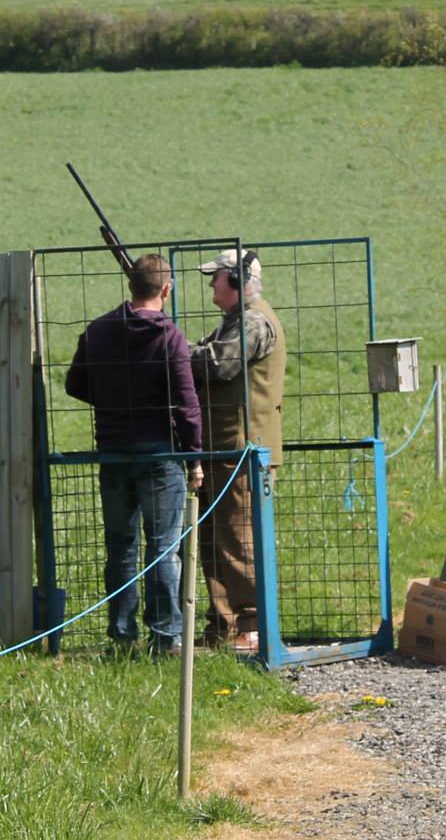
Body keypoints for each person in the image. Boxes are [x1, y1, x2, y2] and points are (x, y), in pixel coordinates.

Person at [63, 253, 203, 655]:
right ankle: (166, 637)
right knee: (163, 547)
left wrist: (112, 402)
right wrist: (195, 457)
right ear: (166, 289)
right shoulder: (170, 336)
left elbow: (75, 384)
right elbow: (186, 403)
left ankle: (122, 636)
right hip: (160, 453)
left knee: (121, 546)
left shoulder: (98, 330)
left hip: (112, 450)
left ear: (130, 285)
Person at [191, 248, 285, 652]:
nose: (212, 283)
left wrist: (175, 351)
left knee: (239, 540)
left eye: (217, 276)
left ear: (236, 280)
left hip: (242, 451)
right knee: (215, 543)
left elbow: (219, 365)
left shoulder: (252, 321)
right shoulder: (236, 321)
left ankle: (252, 626)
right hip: (225, 448)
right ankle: (224, 627)